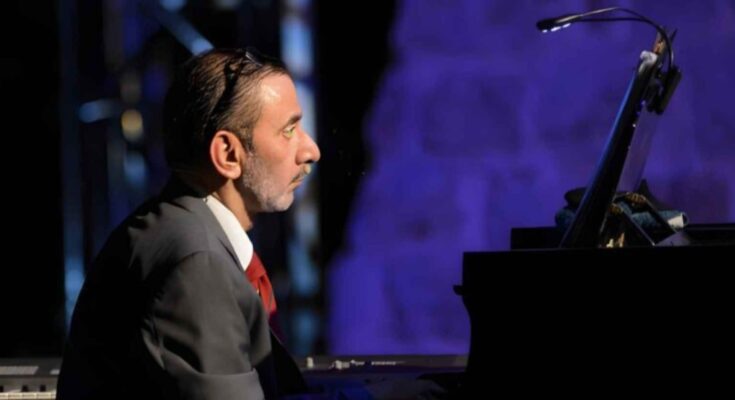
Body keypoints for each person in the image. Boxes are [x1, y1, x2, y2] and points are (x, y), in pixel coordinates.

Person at [57, 47, 320, 400]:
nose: (311, 150)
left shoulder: (182, 232)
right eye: (289, 130)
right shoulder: (197, 263)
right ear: (228, 154)